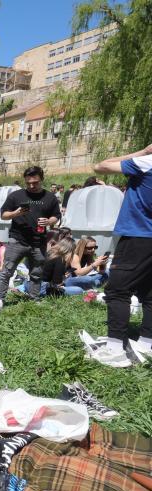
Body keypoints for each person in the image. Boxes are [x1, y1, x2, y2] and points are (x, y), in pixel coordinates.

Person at [93, 144, 152, 358]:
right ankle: (147, 344)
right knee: (149, 292)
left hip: (138, 235)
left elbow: (100, 166)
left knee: (117, 290)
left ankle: (115, 347)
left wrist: (143, 153)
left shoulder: (146, 163)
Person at [0, 166, 61, 306]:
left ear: (42, 179)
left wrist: (49, 221)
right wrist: (15, 214)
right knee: (7, 271)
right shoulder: (16, 196)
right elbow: (3, 215)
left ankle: (34, 299)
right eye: (28, 183)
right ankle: (0, 299)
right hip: (17, 240)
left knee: (36, 273)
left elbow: (56, 216)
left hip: (39, 242)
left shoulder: (50, 197)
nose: (31, 186)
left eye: (35, 182)